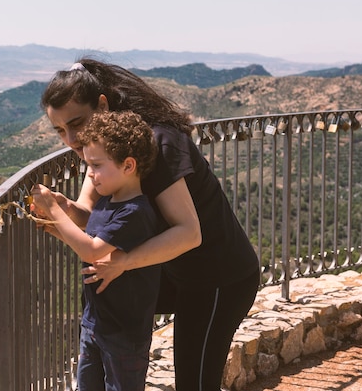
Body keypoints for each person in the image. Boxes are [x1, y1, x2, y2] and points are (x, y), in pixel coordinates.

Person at [38, 58, 260, 391]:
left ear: (102, 104)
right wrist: (66, 209)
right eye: (60, 130)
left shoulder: (157, 145)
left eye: (77, 123)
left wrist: (124, 260)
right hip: (175, 272)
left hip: (218, 278)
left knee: (195, 384)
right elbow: (93, 216)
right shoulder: (102, 146)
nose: (72, 139)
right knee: (102, 295)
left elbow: (189, 233)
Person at [31, 111, 163, 391]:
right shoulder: (107, 202)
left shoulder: (134, 212)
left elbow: (92, 251)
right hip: (95, 322)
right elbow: (90, 236)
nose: (90, 174)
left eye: (97, 165)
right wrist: (55, 224)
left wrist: (54, 208)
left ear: (128, 165)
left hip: (124, 332)